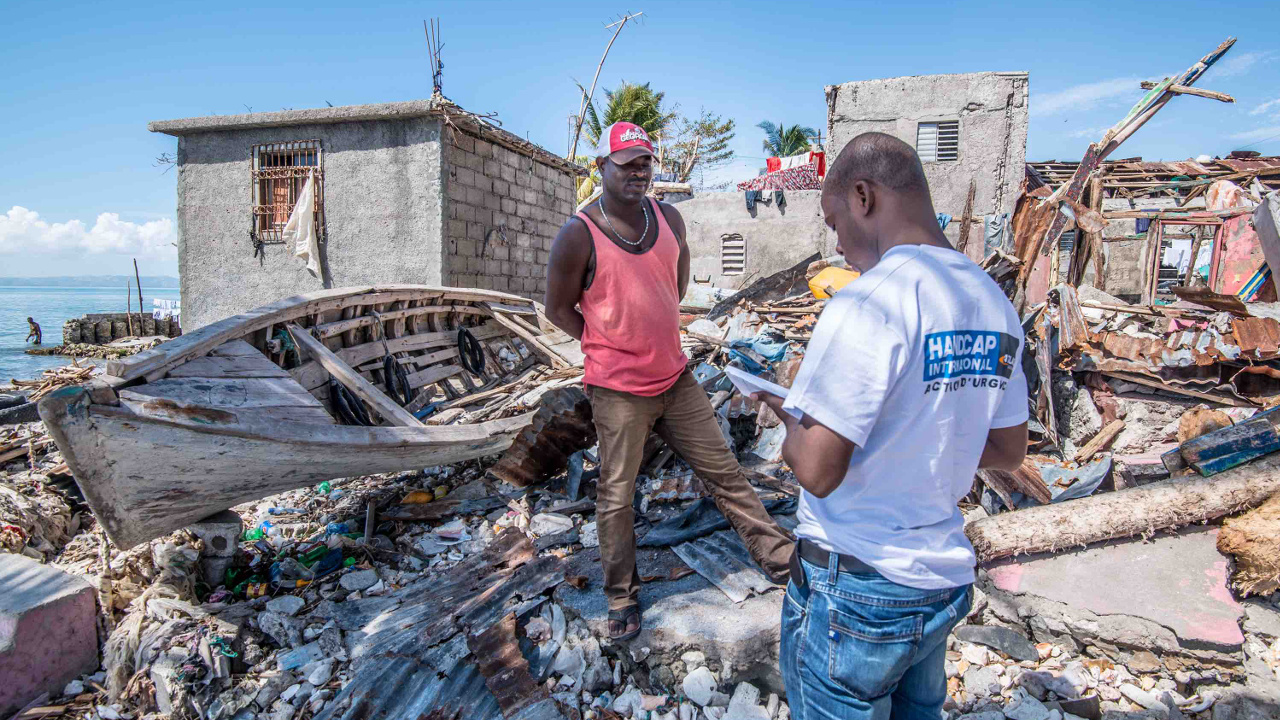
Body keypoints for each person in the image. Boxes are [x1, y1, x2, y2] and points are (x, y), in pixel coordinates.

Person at [753, 132, 1029, 720]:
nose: (838, 243)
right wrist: (927, 428)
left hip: (857, 589)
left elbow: (818, 471)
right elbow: (1007, 447)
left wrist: (786, 412)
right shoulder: (990, 301)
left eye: (833, 221)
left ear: (862, 196)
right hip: (938, 585)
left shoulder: (867, 303)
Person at [545, 121, 794, 642]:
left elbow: (674, 287)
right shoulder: (578, 234)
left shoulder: (669, 218)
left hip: (675, 380)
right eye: (625, 164)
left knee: (725, 472)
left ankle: (783, 564)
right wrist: (603, 341)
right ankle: (621, 599)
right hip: (618, 390)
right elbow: (556, 309)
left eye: (644, 163)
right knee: (617, 494)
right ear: (601, 168)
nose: (638, 172)